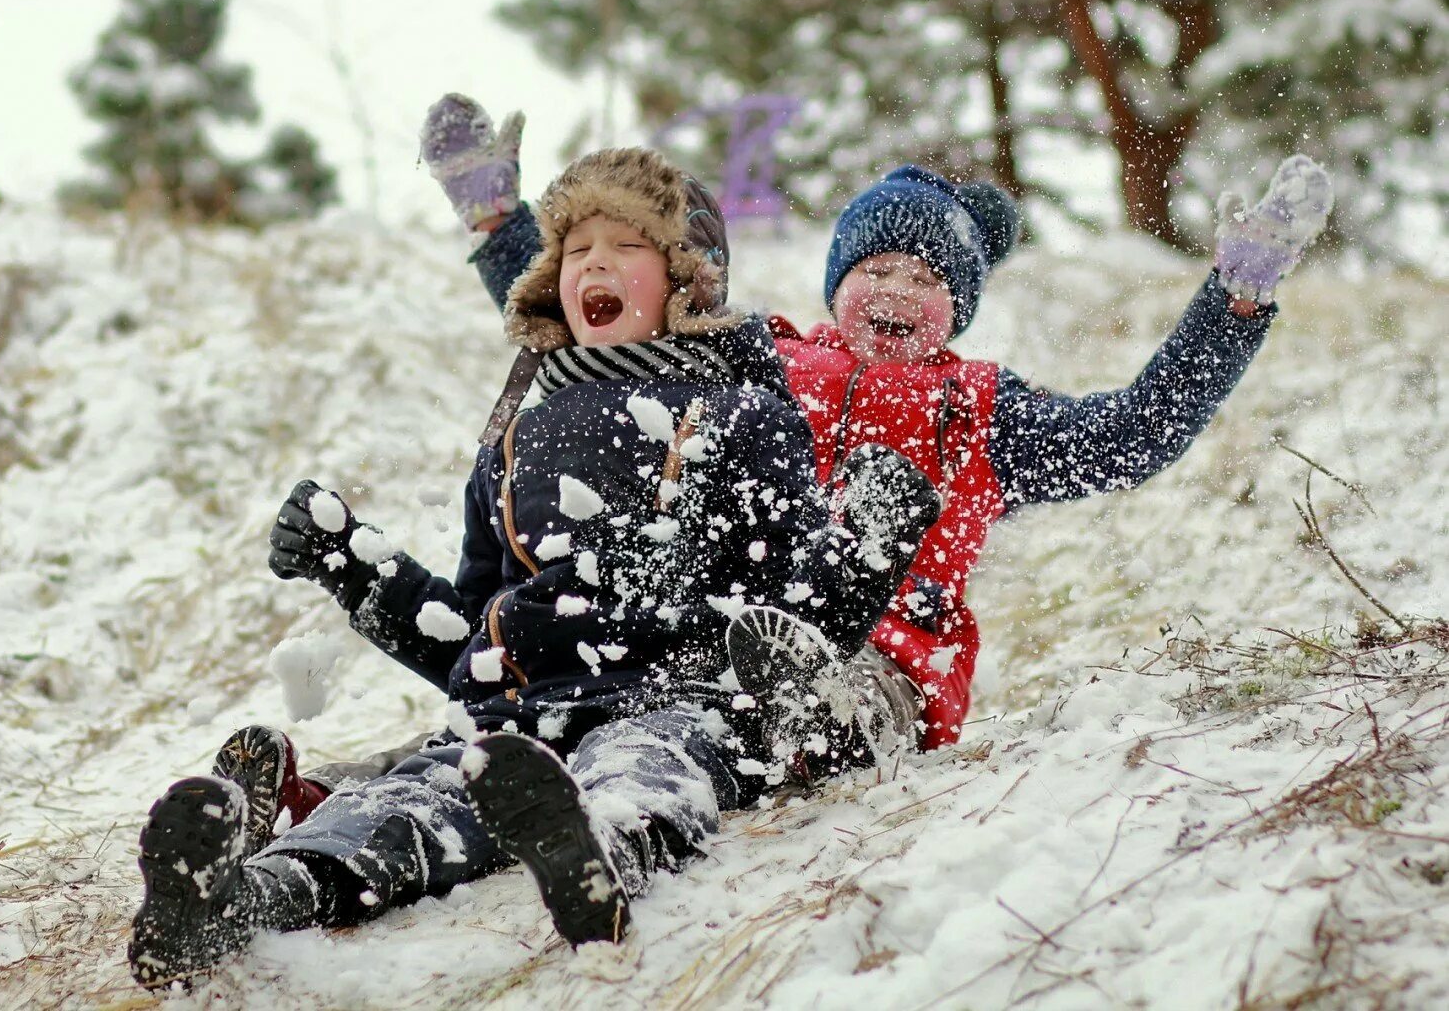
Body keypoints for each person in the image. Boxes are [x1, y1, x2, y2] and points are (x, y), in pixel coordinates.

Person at [127, 146, 938, 990]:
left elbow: (792, 614)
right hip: (517, 718)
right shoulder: (515, 439)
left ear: (687, 279)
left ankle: (597, 858)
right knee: (404, 801)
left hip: (677, 699)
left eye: (628, 245)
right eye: (577, 249)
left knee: (644, 766)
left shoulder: (742, 415)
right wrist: (359, 571)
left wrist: (868, 549)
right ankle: (243, 899)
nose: (595, 261)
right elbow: (465, 633)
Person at [422, 93, 1334, 750]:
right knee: (643, 675)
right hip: (732, 625)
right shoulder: (761, 359)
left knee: (816, 702)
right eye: (877, 269)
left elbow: (1134, 436)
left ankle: (794, 721)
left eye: (927, 278)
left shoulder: (981, 412)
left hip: (885, 656)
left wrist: (1235, 299)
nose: (896, 290)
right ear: (837, 282)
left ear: (958, 308)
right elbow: (610, 321)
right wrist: (504, 226)